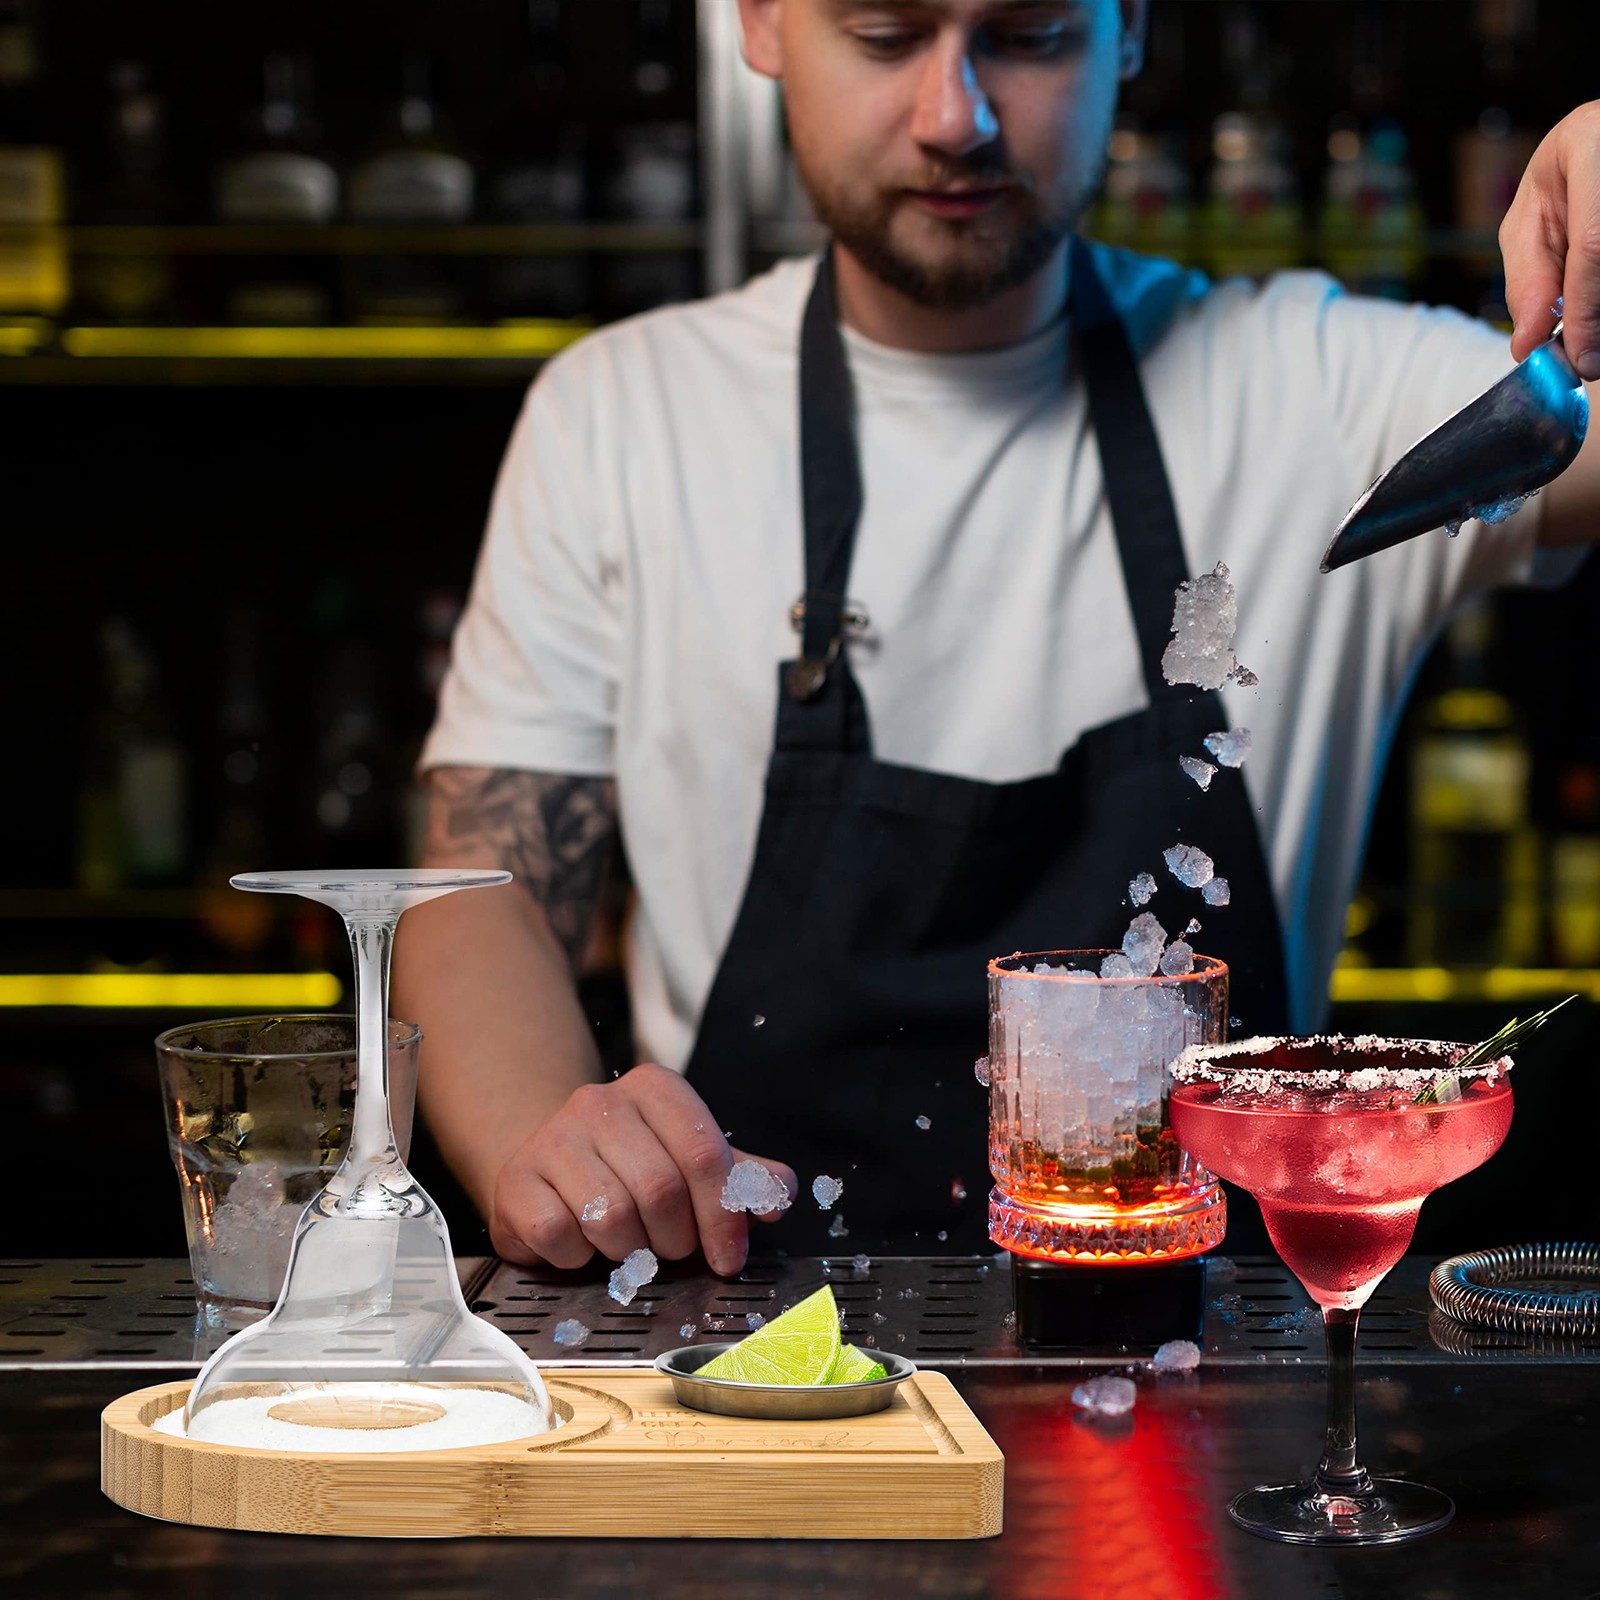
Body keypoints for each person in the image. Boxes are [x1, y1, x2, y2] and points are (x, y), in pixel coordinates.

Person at [392, 0, 1600, 1273]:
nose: (953, 116)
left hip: (1223, 1388)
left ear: (1130, 28)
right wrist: (546, 1140)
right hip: (750, 1373)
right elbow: (485, 889)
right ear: (759, 22)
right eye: (882, 34)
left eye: (1025, 37)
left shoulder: (1315, 388)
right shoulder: (620, 417)